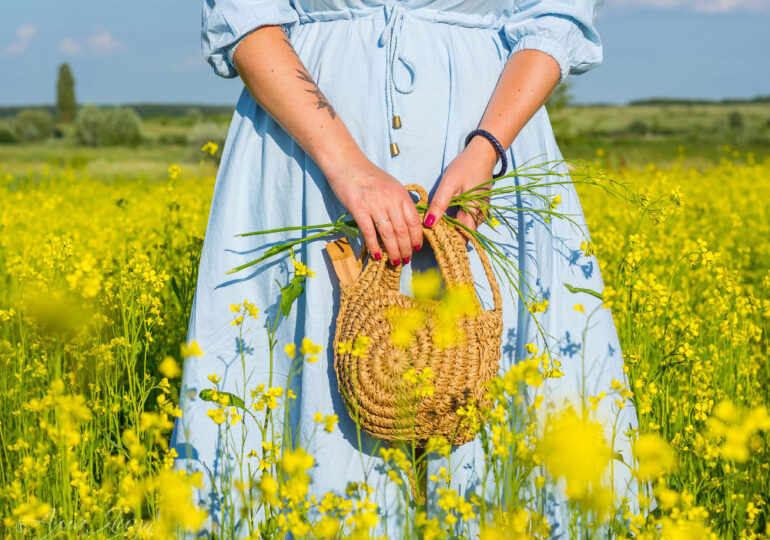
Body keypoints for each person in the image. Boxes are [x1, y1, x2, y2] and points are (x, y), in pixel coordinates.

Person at [170, 0, 642, 537]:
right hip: (309, 149)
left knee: (502, 414)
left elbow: (557, 16)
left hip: (488, 144)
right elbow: (245, 17)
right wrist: (346, 165)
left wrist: (486, 149)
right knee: (313, 413)